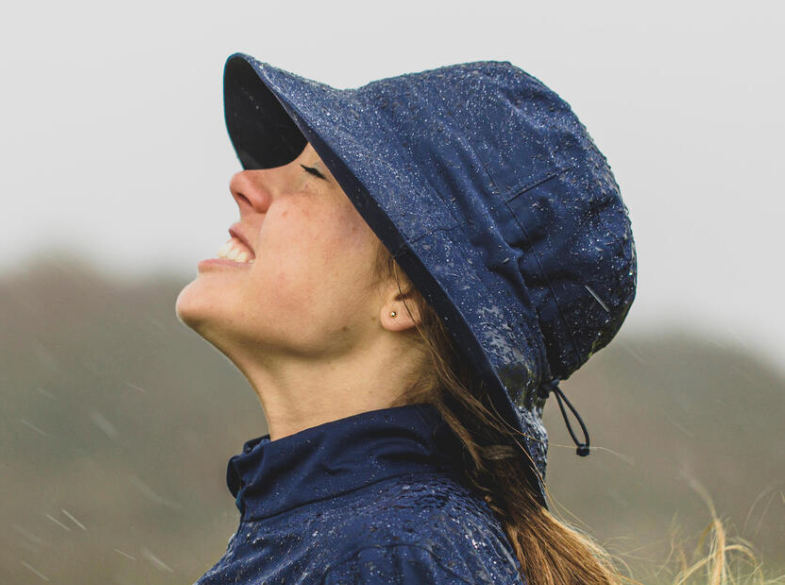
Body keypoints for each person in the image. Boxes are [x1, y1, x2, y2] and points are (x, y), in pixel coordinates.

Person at [176, 53, 637, 585]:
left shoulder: (393, 559)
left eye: (310, 175)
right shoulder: (363, 545)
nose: (244, 184)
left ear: (406, 294)